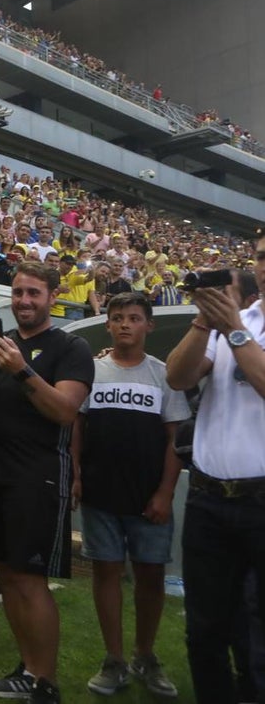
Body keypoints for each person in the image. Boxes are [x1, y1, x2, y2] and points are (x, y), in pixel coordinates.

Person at [0, 262, 94, 704]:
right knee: (5, 575)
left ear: (53, 296)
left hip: (37, 476)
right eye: (17, 293)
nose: (24, 301)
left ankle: (45, 682)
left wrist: (21, 371)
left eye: (34, 293)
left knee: (30, 578)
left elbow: (66, 411)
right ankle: (26, 668)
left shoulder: (71, 347)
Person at [72, 292, 190, 697]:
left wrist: (164, 492)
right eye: (118, 317)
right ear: (108, 324)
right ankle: (114, 659)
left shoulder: (164, 375)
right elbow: (76, 427)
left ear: (148, 325)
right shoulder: (90, 371)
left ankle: (145, 655)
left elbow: (175, 439)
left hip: (148, 499)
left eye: (134, 318)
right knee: (105, 572)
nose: (125, 324)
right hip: (100, 494)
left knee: (150, 575)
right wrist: (75, 474)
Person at [165, 230, 265, 704]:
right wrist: (205, 322)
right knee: (203, 629)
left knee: (259, 635)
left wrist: (235, 332)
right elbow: (178, 376)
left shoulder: (239, 326)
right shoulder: (234, 318)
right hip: (209, 497)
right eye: (262, 258)